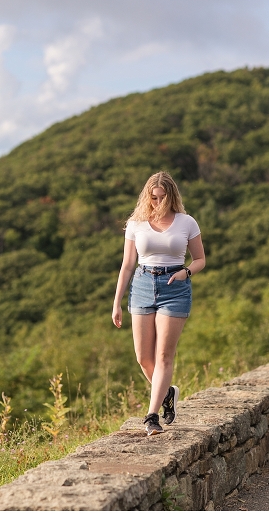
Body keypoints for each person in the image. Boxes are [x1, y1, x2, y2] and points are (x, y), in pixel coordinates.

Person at [111, 171, 205, 436]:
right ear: (147, 196)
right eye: (154, 197)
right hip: (142, 285)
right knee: (143, 357)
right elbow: (127, 265)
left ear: (172, 196)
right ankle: (167, 394)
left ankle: (152, 417)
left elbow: (200, 259)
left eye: (163, 197)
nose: (158, 202)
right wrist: (117, 302)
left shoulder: (186, 222)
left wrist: (186, 272)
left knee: (164, 355)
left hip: (175, 287)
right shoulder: (136, 224)